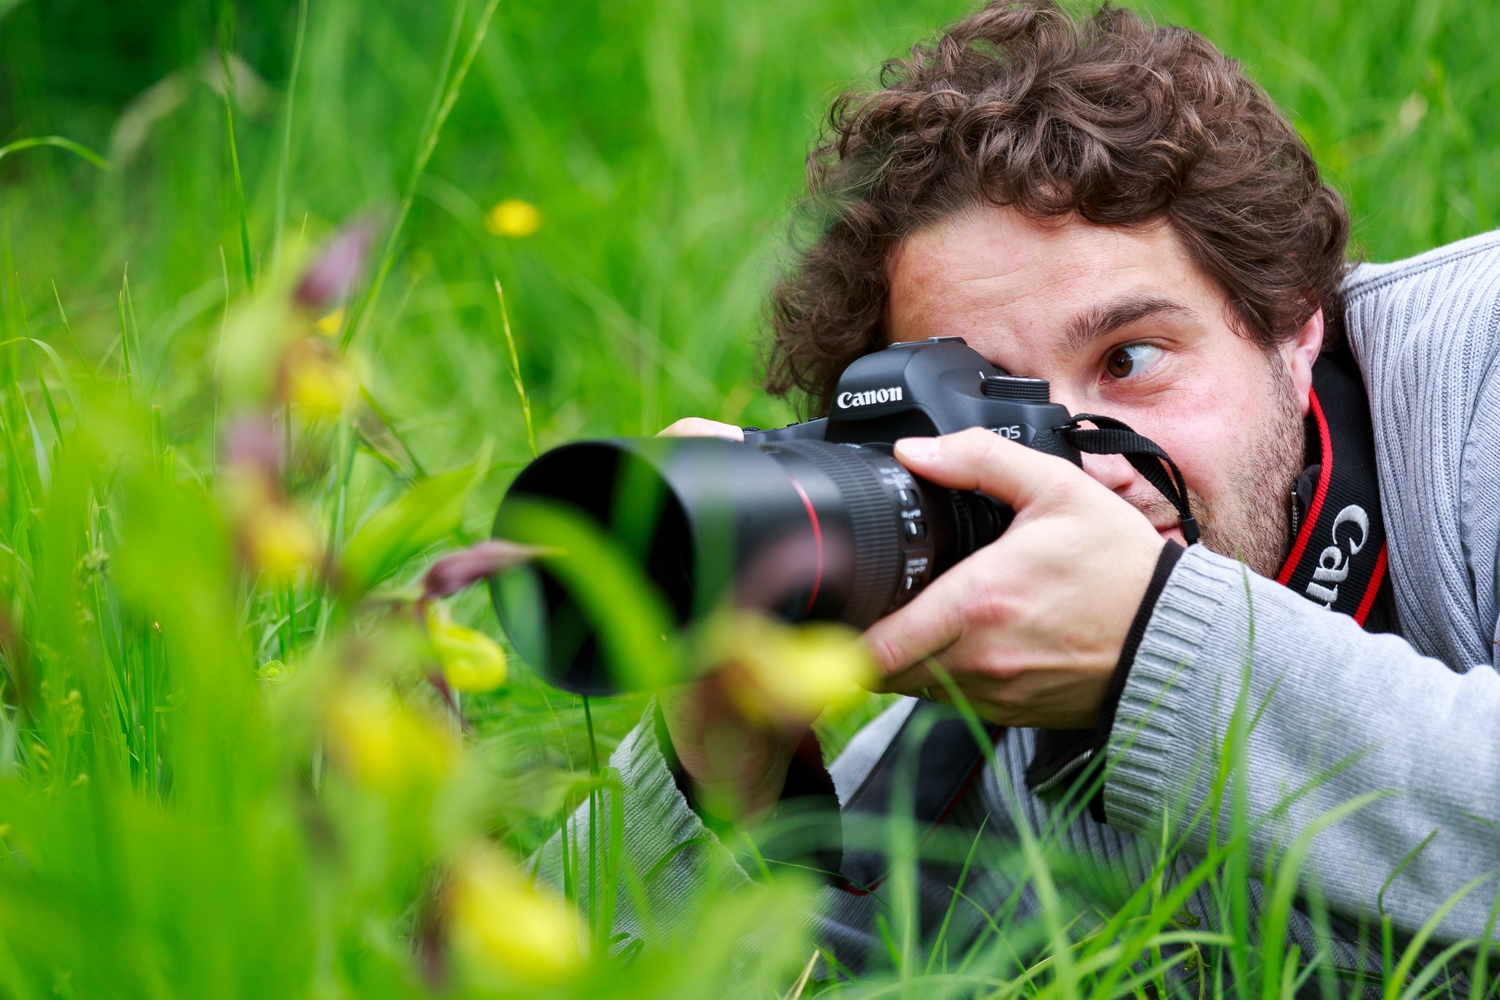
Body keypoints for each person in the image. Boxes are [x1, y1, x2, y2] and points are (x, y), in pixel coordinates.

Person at [535, 0, 1500, 977]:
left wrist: (1151, 657)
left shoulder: (1478, 368)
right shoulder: (967, 765)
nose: (1070, 471)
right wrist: (707, 785)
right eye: (990, 406)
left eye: (1129, 357)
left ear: (1296, 332)